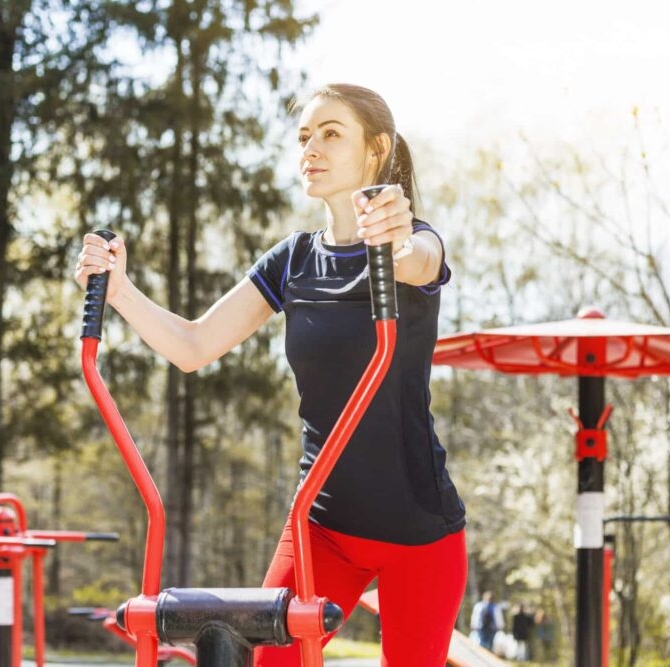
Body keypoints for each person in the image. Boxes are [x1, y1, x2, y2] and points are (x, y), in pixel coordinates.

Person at [74, 83, 467, 667]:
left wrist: (395, 236)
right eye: (305, 136)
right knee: (268, 661)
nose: (311, 148)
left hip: (418, 532)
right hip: (323, 525)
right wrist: (121, 291)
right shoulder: (292, 261)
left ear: (377, 149)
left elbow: (422, 259)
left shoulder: (411, 244)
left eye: (332, 134)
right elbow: (193, 344)